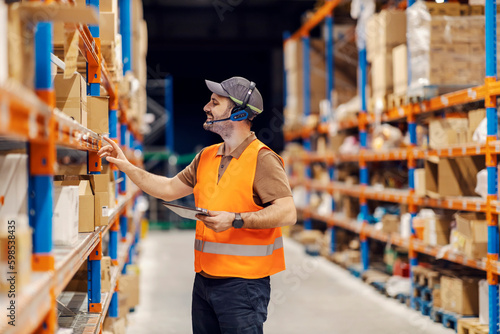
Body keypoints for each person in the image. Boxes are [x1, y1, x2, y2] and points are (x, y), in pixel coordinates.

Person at [98, 76, 296, 334]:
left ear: (238, 114)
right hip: (204, 281)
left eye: (215, 103)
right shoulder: (206, 156)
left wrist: (236, 219)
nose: (206, 107)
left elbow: (287, 212)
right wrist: (125, 165)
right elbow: (168, 189)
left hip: (243, 286)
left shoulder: (263, 159)